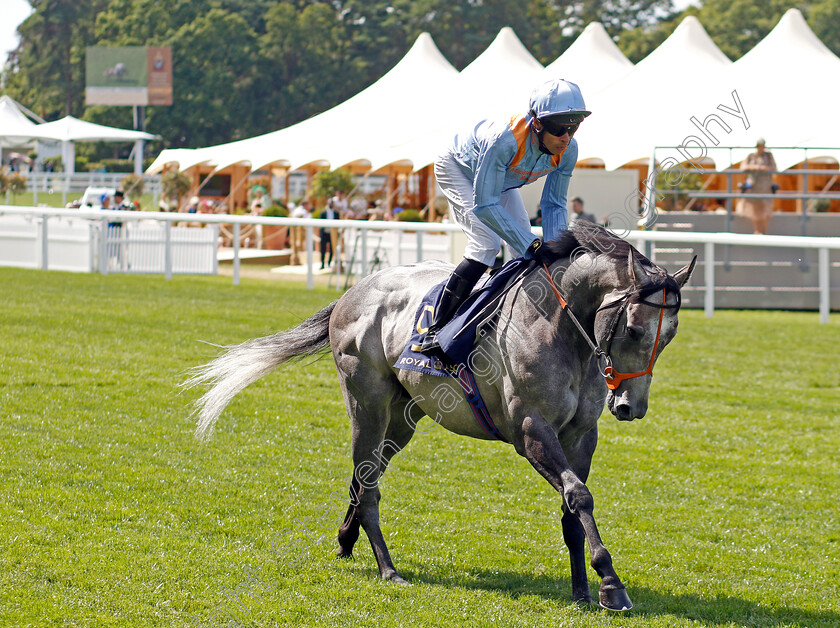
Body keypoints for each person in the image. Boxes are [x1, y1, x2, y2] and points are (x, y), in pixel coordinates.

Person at [419, 78, 590, 353]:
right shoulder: (505, 140)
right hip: (458, 167)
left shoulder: (568, 150)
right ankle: (435, 329)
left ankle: (513, 322)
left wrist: (557, 249)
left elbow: (554, 204)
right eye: (560, 127)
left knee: (525, 253)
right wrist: (533, 244)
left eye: (574, 126)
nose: (566, 137)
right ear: (537, 123)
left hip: (502, 180)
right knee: (487, 245)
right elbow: (484, 205)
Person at [737, 138, 777, 234]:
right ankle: (757, 231)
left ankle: (764, 231)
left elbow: (774, 167)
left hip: (765, 187)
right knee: (755, 210)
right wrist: (754, 168)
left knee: (766, 210)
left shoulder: (768, 156)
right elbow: (743, 167)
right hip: (754, 187)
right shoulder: (751, 156)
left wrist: (764, 169)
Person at [290, 199, 312, 265]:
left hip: (295, 230)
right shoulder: (302, 211)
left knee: (296, 245)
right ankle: (295, 260)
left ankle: (296, 260)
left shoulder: (297, 210)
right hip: (298, 231)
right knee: (298, 244)